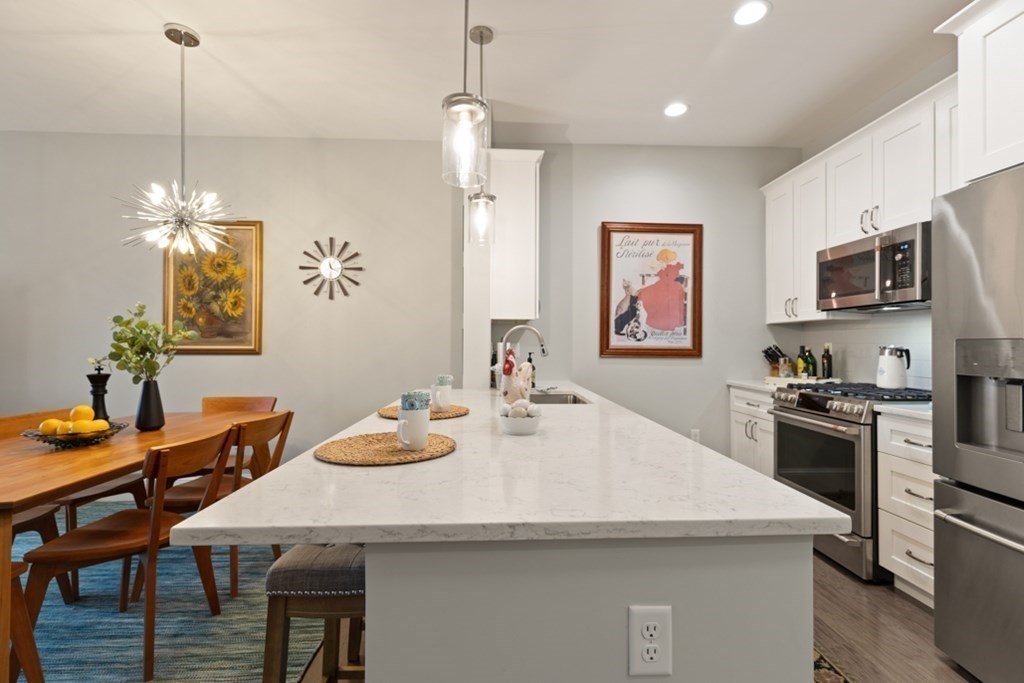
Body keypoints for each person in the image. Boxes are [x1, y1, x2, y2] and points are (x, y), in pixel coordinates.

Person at [637, 248, 686, 331]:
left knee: (651, 292)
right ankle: (654, 317)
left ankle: (662, 321)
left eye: (662, 259)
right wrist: (661, 268)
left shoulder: (673, 266)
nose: (661, 261)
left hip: (670, 285)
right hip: (664, 284)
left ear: (666, 258)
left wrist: (662, 269)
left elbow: (670, 276)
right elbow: (658, 272)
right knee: (647, 292)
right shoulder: (666, 266)